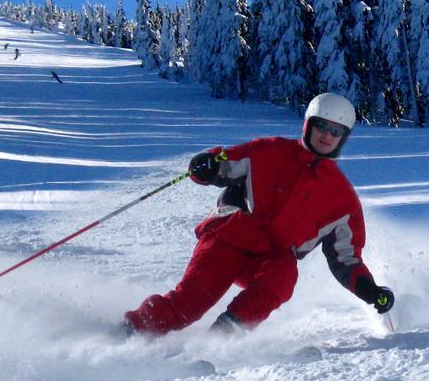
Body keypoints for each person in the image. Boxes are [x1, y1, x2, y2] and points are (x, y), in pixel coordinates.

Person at [123, 93, 394, 335]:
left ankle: (222, 338)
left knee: (284, 275)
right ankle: (129, 332)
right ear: (308, 124)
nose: (326, 135)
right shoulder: (270, 151)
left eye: (335, 131)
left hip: (271, 257)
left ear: (343, 138)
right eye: (321, 125)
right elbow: (225, 163)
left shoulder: (342, 197)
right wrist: (206, 164)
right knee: (188, 306)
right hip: (228, 237)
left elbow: (346, 259)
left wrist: (369, 290)